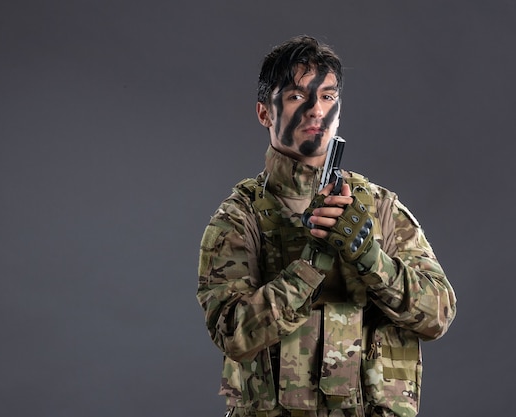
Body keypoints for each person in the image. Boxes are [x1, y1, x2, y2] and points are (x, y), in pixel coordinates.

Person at [196, 35, 457, 417]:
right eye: (297, 97)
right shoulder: (241, 218)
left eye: (328, 97)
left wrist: (372, 260)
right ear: (264, 113)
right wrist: (310, 266)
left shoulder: (380, 208)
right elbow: (232, 334)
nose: (316, 110)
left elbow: (438, 315)